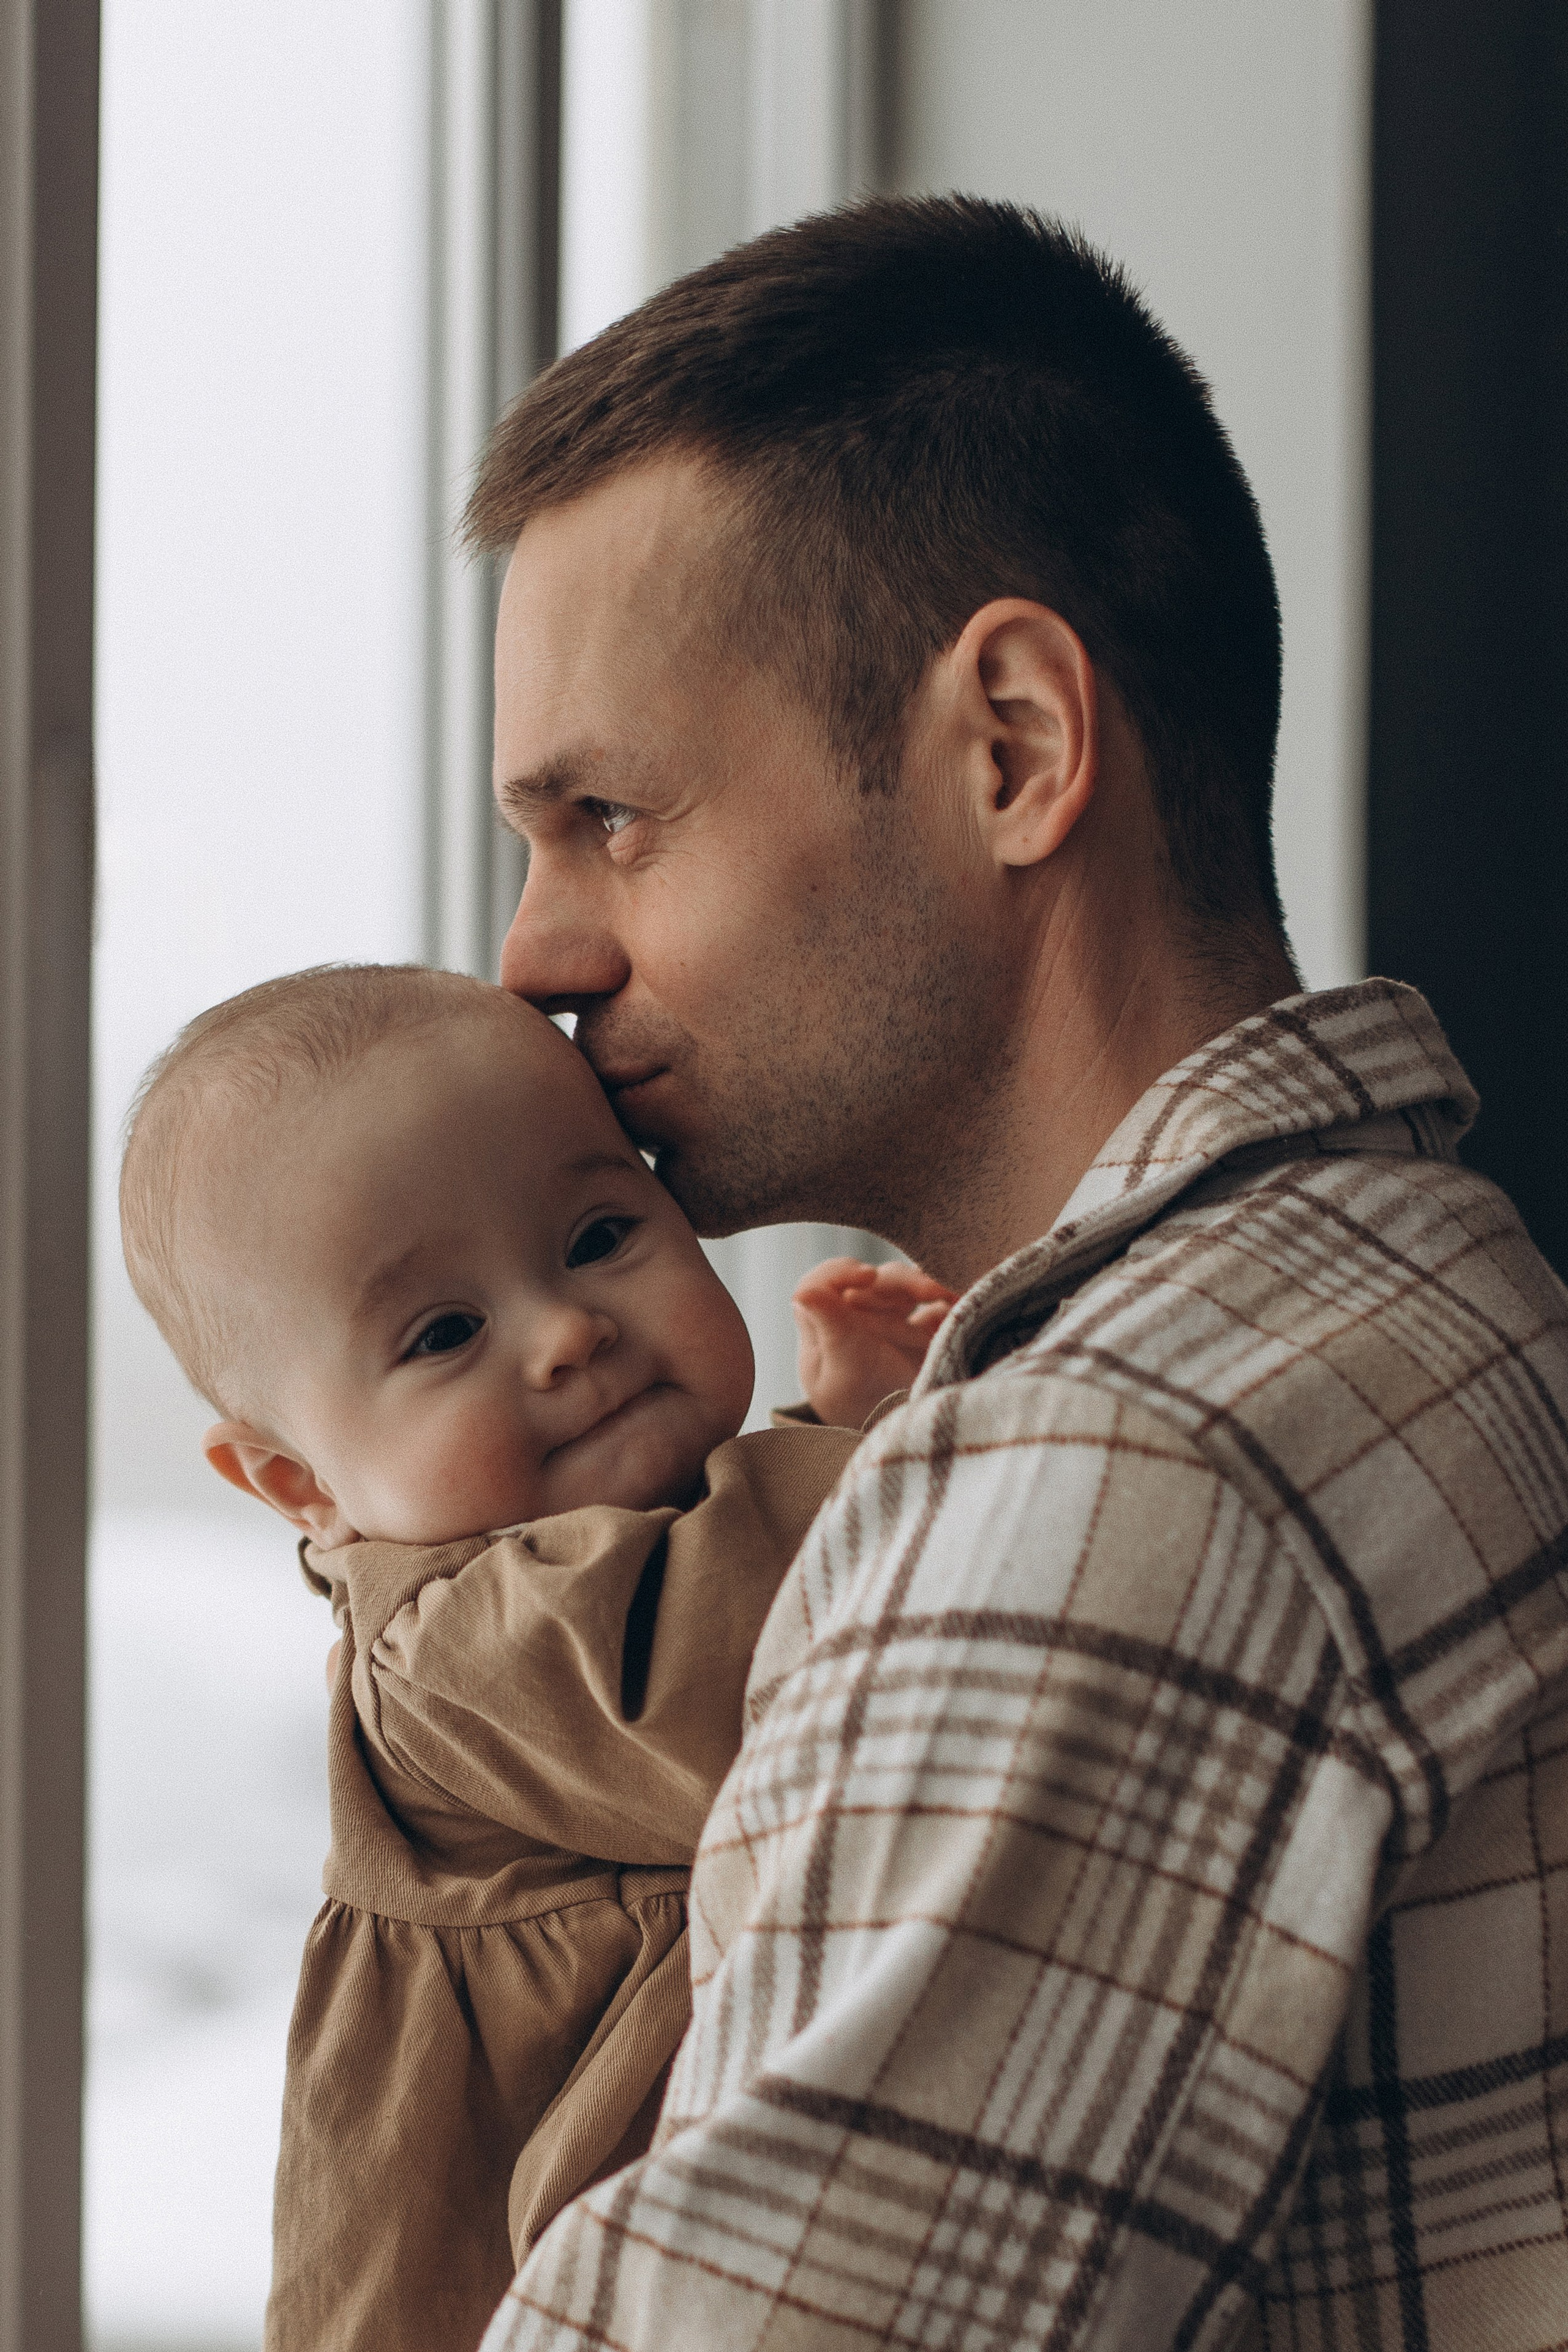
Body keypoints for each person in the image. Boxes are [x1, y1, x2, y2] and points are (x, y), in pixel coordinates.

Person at [467, 196, 1568, 2351]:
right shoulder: (1428, 1290)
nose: (536, 954)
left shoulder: (1134, 1467)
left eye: (609, 815)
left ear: (1015, 749)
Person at [116, 963, 954, 2352]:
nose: (568, 1332)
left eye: (600, 1234)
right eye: (445, 1333)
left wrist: (843, 1418)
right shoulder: (447, 1655)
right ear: (294, 1485)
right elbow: (737, 1666)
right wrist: (877, 1447)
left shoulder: (654, 1535)